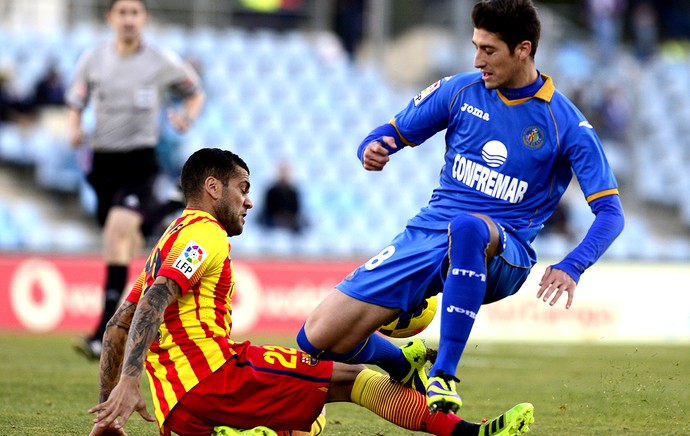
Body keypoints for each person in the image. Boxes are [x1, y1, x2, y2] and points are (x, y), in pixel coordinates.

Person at [297, 0, 624, 416]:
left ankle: (445, 374)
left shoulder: (565, 123)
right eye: (476, 47)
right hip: (427, 235)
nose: (478, 59)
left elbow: (612, 213)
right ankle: (403, 363)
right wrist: (373, 149)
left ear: (523, 49)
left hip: (503, 251)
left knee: (468, 228)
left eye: (489, 50)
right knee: (317, 339)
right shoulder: (459, 90)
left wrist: (572, 265)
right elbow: (392, 131)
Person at [87, 147, 534, 436]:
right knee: (353, 379)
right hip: (217, 381)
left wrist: (108, 410)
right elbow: (156, 299)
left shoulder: (166, 242)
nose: (248, 201)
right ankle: (469, 433)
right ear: (212, 187)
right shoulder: (205, 235)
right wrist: (127, 382)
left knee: (307, 422)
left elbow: (115, 327)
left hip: (177, 414)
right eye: (242, 189)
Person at [65, 0, 205, 360]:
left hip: (140, 159)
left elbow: (194, 91)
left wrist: (187, 117)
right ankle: (168, 206)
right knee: (121, 244)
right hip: (102, 162)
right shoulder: (93, 59)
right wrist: (74, 127)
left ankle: (101, 333)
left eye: (135, 12)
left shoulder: (162, 60)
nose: (128, 19)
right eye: (122, 12)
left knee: (116, 233)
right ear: (110, 17)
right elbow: (76, 101)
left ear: (144, 18)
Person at [259, 160, 304, 233]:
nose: (284, 174)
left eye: (286, 172)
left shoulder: (293, 192)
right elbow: (267, 210)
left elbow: (296, 211)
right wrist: (278, 218)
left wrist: (287, 217)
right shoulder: (271, 191)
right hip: (273, 221)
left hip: (289, 221)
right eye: (282, 171)